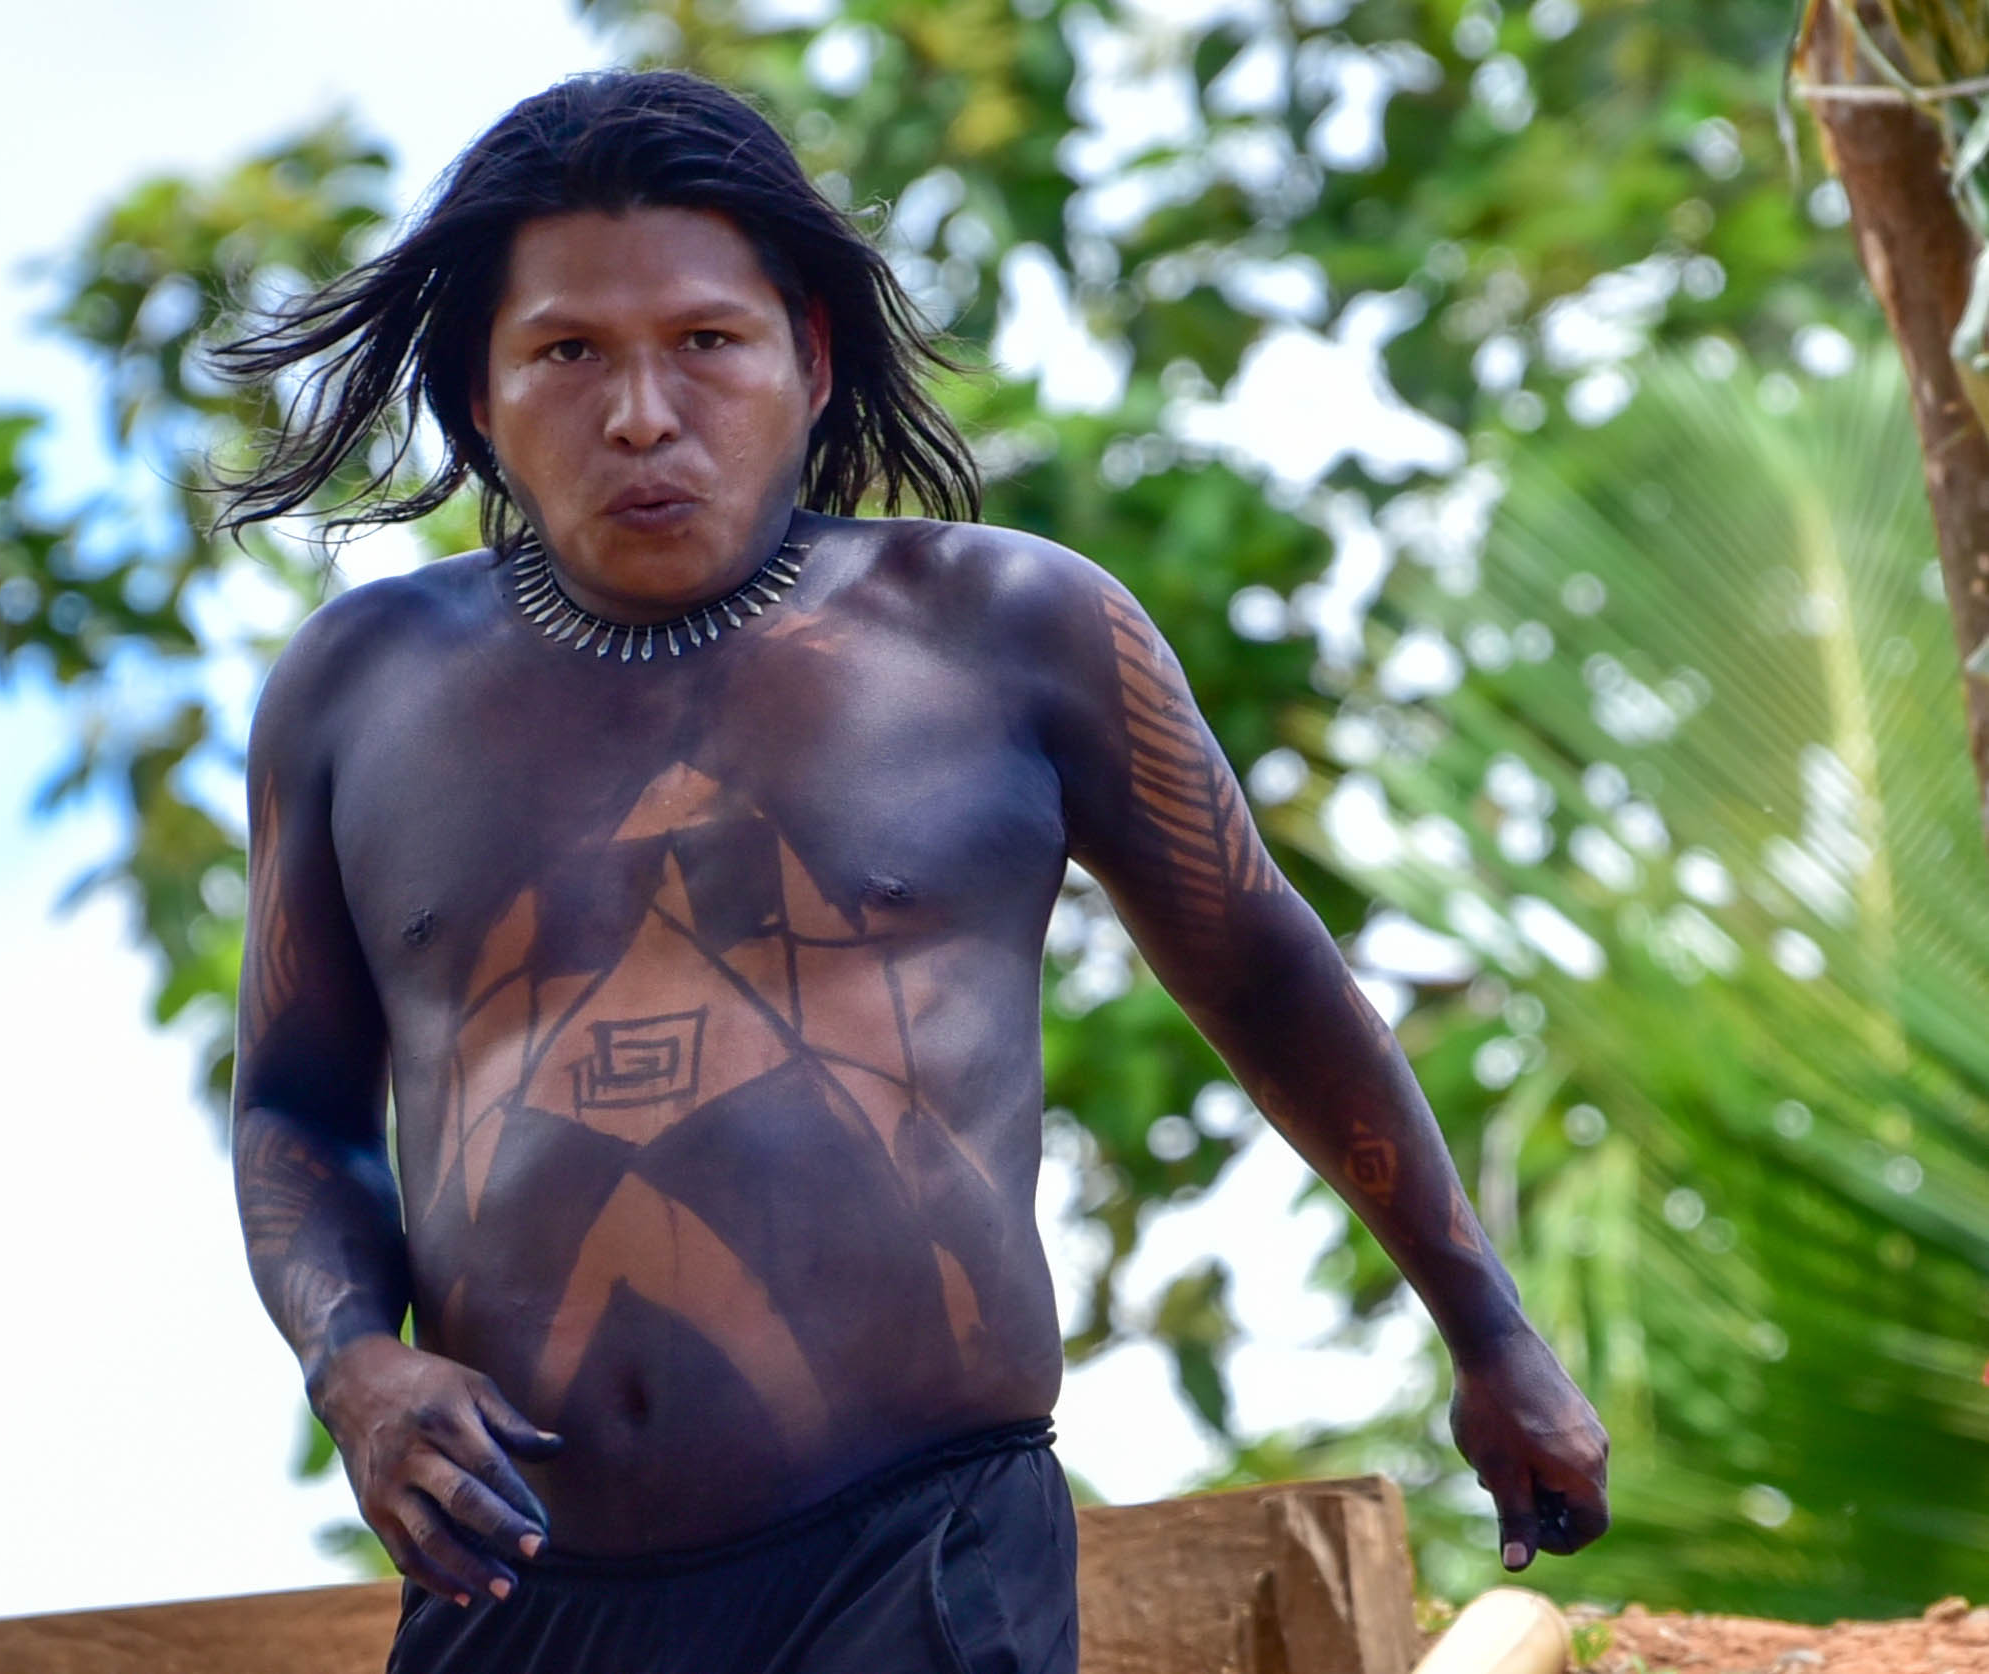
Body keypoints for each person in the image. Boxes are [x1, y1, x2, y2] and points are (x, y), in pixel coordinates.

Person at [218, 68, 1608, 1674]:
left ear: (809, 359)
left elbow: (1266, 972)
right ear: (478, 396)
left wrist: (1489, 1329)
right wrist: (353, 1364)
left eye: (706, 341)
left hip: (917, 1558)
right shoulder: (357, 689)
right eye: (567, 353)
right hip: (515, 1583)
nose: (643, 413)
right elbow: (296, 1107)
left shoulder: (1011, 630)